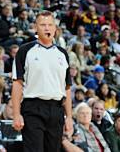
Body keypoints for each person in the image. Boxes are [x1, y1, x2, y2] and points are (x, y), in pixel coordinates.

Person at [12, 11, 73, 151]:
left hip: (56, 109)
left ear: (55, 29)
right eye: (43, 25)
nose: (47, 28)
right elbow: (17, 84)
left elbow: (67, 88)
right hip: (32, 108)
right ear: (35, 27)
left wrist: (69, 117)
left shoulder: (62, 54)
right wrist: (16, 114)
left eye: (50, 25)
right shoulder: (24, 51)